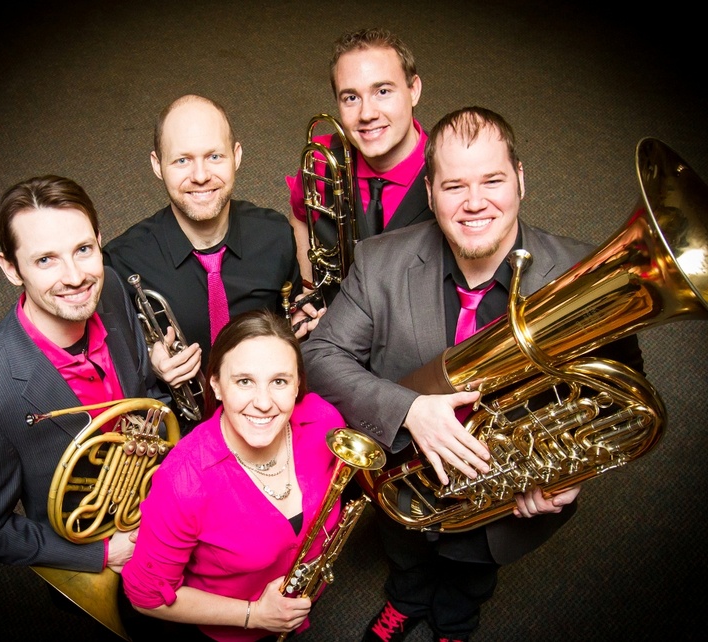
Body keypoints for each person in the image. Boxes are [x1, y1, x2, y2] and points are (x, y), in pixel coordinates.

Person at [301, 107, 644, 642]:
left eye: (492, 180)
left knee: (473, 574)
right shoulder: (379, 262)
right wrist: (409, 411)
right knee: (406, 555)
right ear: (430, 192)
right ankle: (405, 600)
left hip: (508, 501)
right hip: (403, 475)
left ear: (520, 179)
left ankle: (456, 621)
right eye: (454, 185)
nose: (475, 202)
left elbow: (621, 392)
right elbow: (319, 355)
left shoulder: (584, 275)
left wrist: (567, 474)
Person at [0, 176, 168, 609]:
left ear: (99, 240)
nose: (76, 277)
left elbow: (145, 392)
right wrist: (102, 553)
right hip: (100, 546)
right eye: (46, 259)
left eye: (83, 249)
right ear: (11, 269)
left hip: (162, 504)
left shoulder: (110, 286)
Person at [121, 309, 348, 642]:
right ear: (216, 384)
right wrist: (255, 615)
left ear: (298, 383)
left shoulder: (324, 423)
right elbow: (146, 596)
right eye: (244, 381)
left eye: (279, 381)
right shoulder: (184, 481)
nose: (263, 403)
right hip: (230, 631)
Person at [103, 94, 321, 434]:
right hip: (181, 431)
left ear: (236, 156)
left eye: (214, 156)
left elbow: (287, 315)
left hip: (265, 415)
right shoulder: (122, 261)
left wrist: (299, 326)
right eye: (182, 161)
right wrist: (150, 364)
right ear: (157, 165)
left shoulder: (275, 235)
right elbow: (109, 363)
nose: (201, 176)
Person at [285, 27, 435, 296]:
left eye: (383, 91)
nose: (367, 114)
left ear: (413, 90)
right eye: (351, 98)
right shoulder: (320, 160)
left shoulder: (449, 170)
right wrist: (308, 287)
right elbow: (299, 217)